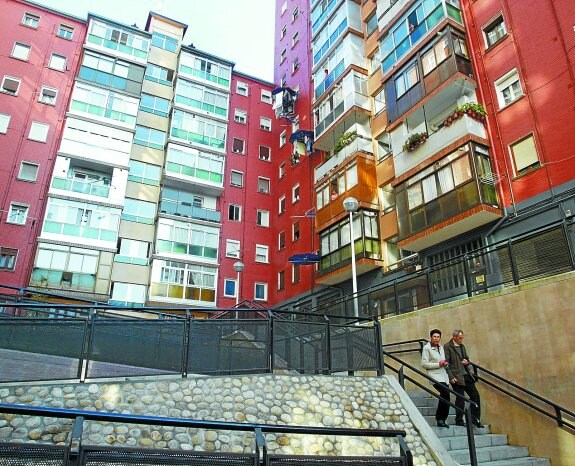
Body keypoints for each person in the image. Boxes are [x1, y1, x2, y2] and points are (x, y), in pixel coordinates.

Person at [444, 329, 482, 428]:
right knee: (460, 398)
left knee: (475, 396)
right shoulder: (447, 347)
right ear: (454, 337)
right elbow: (446, 363)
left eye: (462, 338)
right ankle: (459, 420)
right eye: (460, 338)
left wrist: (467, 362)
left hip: (466, 375)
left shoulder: (462, 346)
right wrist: (451, 377)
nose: (461, 340)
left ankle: (475, 420)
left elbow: (466, 358)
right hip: (456, 377)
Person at [421, 329, 451, 428]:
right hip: (434, 375)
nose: (436, 339)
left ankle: (443, 419)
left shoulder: (441, 348)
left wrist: (445, 363)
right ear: (431, 337)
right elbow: (424, 364)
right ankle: (439, 418)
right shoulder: (426, 348)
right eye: (434, 337)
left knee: (446, 395)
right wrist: (438, 364)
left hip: (443, 375)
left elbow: (443, 360)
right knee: (445, 393)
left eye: (438, 337)